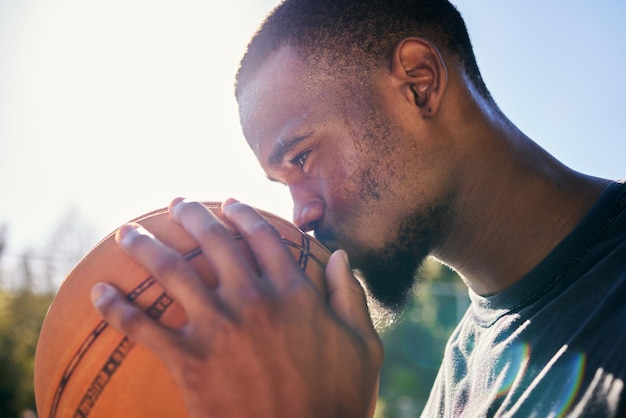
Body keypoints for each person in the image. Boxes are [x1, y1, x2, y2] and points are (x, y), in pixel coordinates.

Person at [90, 0, 626, 416]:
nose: (300, 213)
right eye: (281, 183)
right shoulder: (459, 383)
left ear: (419, 83)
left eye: (300, 156)